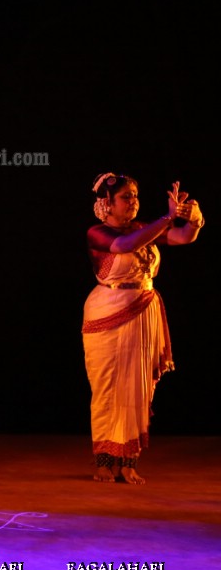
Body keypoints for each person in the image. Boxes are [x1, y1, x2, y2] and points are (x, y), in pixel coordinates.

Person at [83, 173, 202, 484]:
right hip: (108, 312)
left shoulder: (143, 229)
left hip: (142, 309)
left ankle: (128, 461)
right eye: (126, 197)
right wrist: (167, 218)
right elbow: (123, 246)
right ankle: (105, 460)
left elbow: (182, 237)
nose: (133, 201)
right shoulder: (98, 232)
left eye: (135, 195)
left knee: (139, 389)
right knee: (108, 388)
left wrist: (194, 221)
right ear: (107, 203)